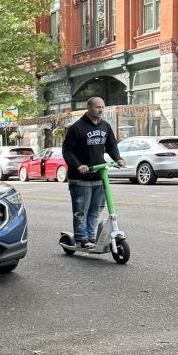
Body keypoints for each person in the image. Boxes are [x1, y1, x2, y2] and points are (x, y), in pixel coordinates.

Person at [61, 96, 126, 249]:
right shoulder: (76, 128)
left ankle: (90, 237)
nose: (101, 110)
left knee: (95, 211)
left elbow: (111, 145)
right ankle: (81, 239)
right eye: (97, 107)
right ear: (89, 107)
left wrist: (118, 158)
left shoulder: (105, 126)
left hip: (98, 175)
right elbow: (67, 151)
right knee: (81, 211)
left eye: (103, 107)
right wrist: (78, 166)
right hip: (80, 178)